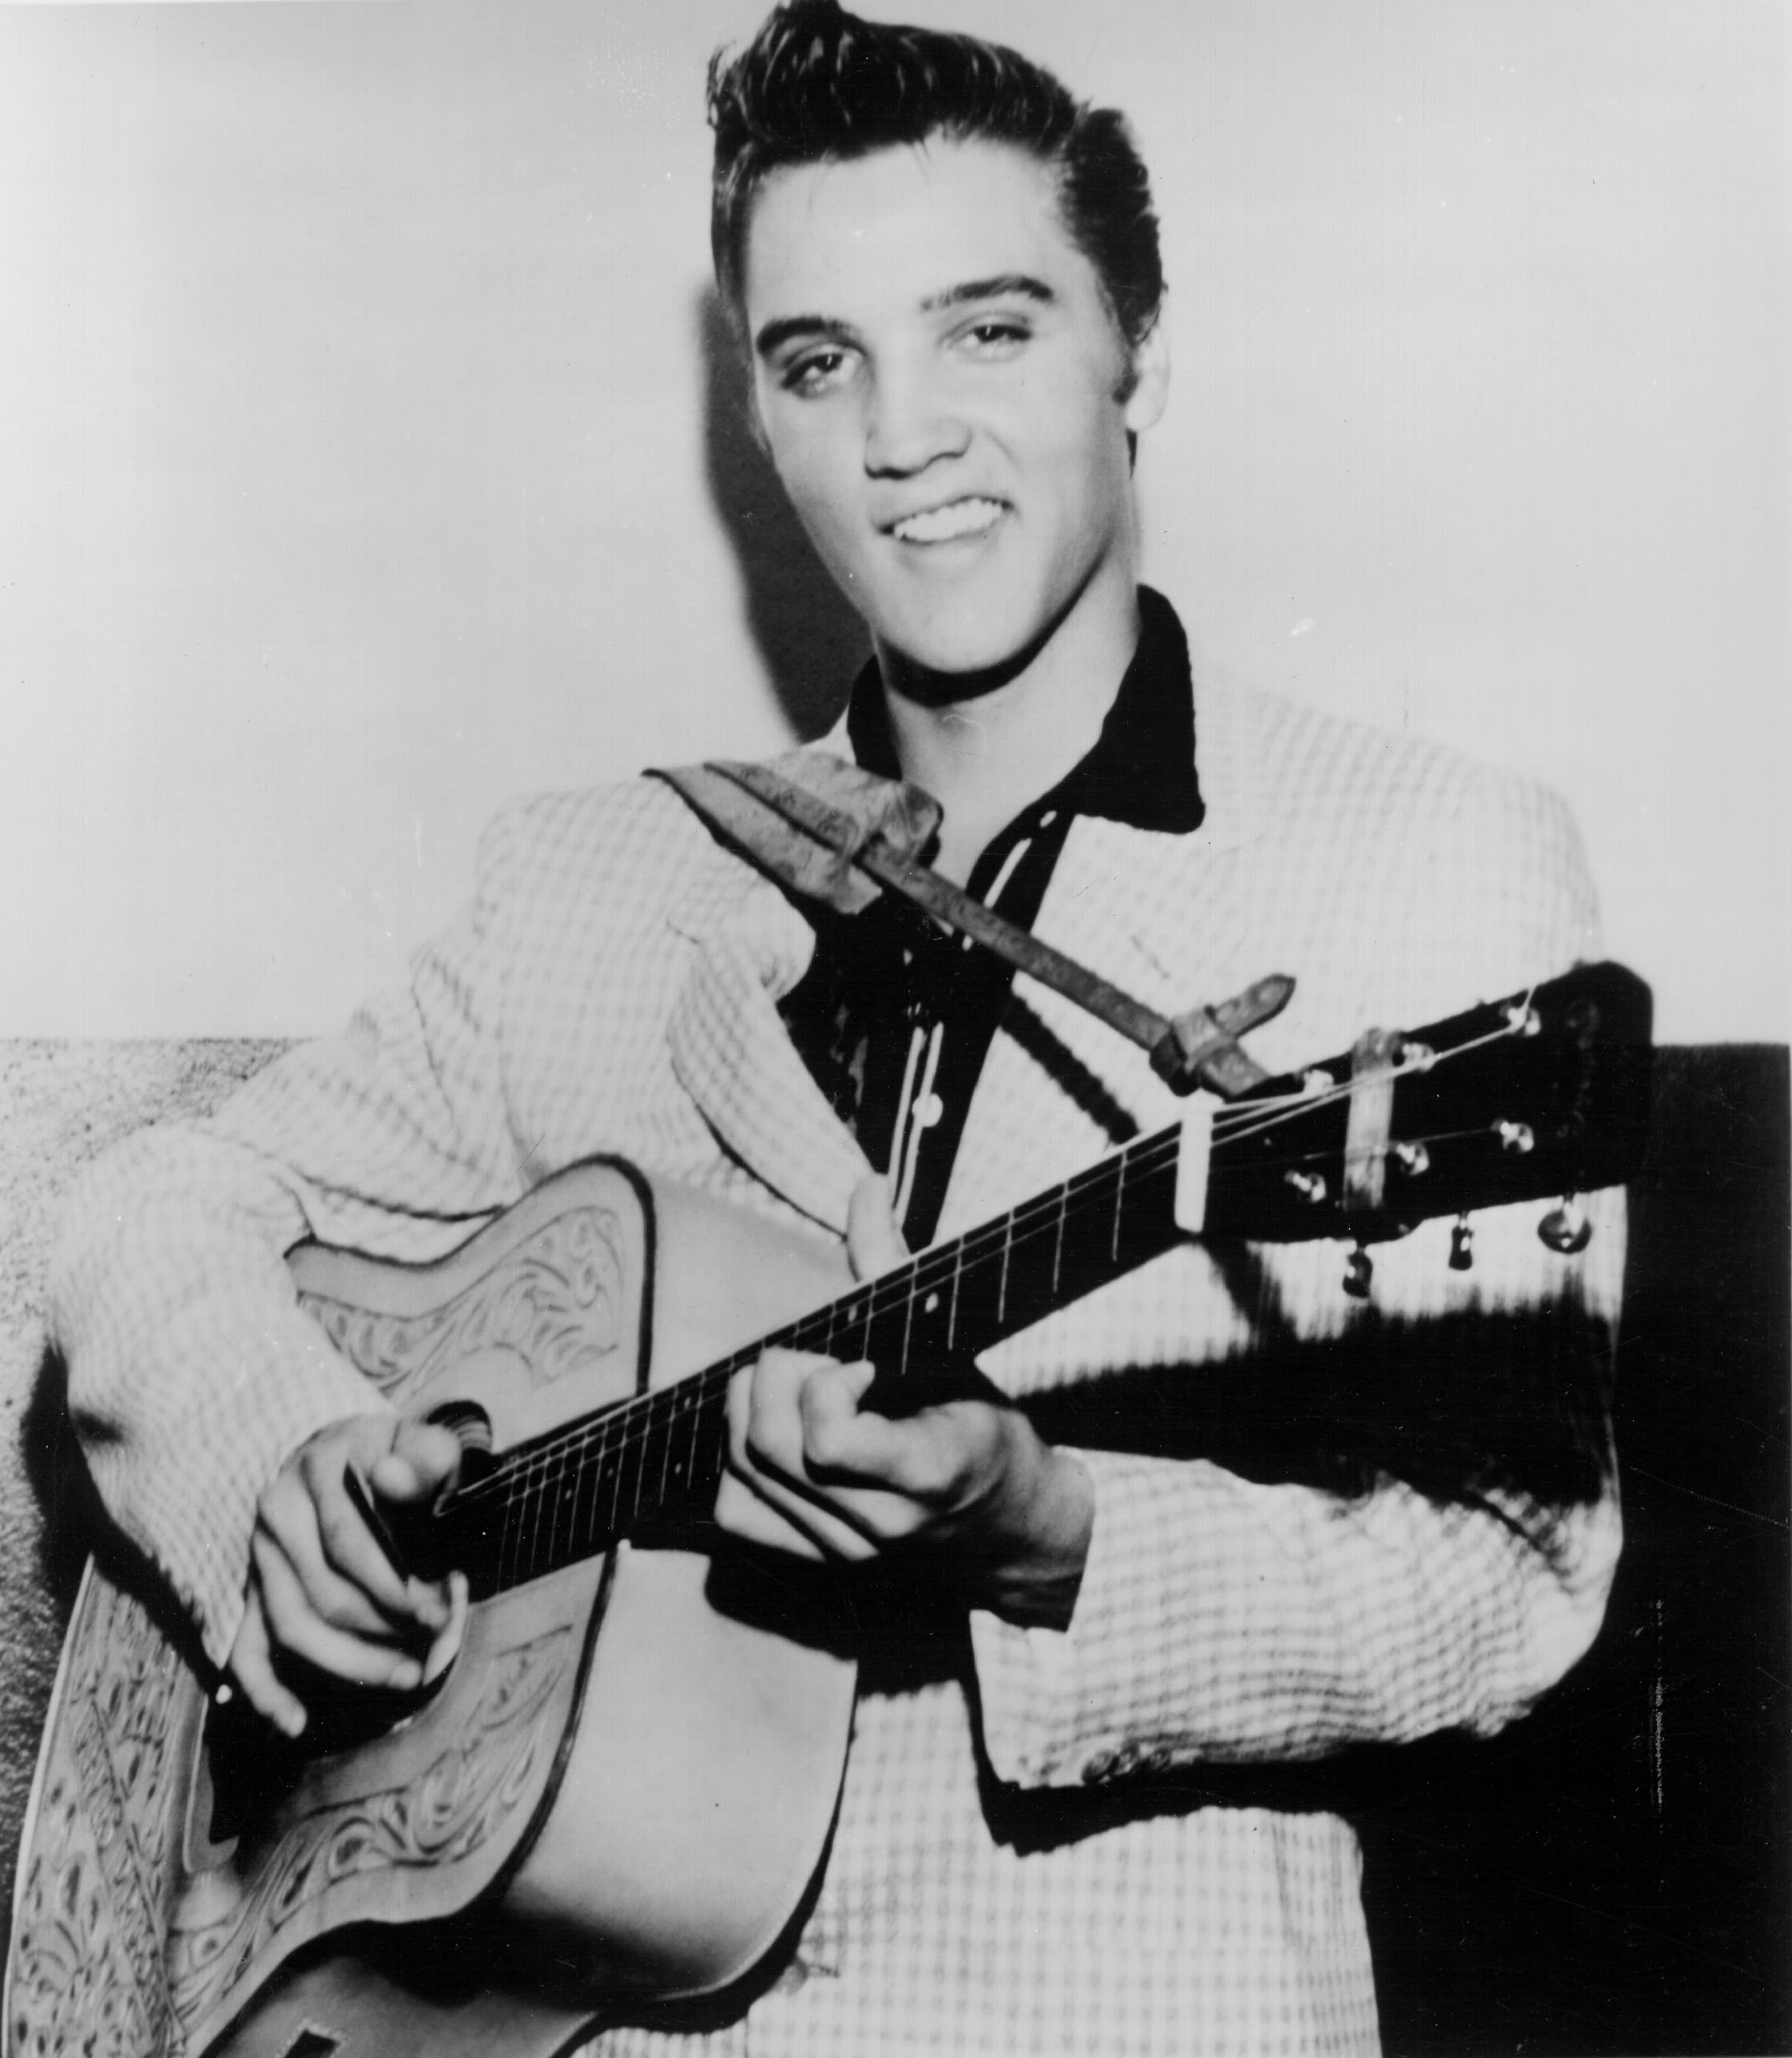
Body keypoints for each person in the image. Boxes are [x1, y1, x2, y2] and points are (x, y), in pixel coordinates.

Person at [51, 3, 1625, 2052]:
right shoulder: (594, 884)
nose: (903, 434)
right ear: (760, 412)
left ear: (1141, 354)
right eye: (820, 360)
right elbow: (146, 1210)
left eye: (989, 330)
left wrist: (1057, 1539)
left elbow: (1512, 1571)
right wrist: (287, 1479)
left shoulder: (1422, 858)